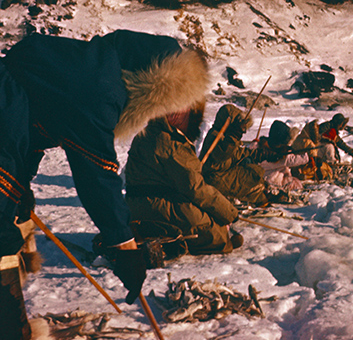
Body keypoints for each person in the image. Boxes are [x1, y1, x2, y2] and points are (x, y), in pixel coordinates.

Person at [0, 29, 210, 308]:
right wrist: (124, 246)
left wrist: (21, 184)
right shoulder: (100, 89)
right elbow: (96, 173)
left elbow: (34, 122)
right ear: (153, 89)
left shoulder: (91, 65)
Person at [124, 106, 242, 256]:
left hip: (135, 206)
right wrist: (229, 212)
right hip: (155, 205)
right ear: (173, 116)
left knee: (199, 212)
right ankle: (211, 243)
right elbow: (196, 188)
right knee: (212, 231)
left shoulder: (147, 133)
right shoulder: (170, 142)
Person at [199, 104, 269, 206]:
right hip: (214, 177)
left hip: (222, 173)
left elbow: (237, 152)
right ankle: (260, 198)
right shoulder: (216, 136)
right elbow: (223, 154)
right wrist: (233, 136)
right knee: (252, 175)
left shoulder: (226, 136)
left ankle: (262, 195)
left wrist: (256, 154)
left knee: (254, 170)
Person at [254, 121, 307, 192]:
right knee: (296, 184)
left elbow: (253, 145)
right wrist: (299, 148)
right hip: (274, 182)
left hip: (258, 180)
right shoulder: (284, 157)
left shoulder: (256, 148)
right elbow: (304, 158)